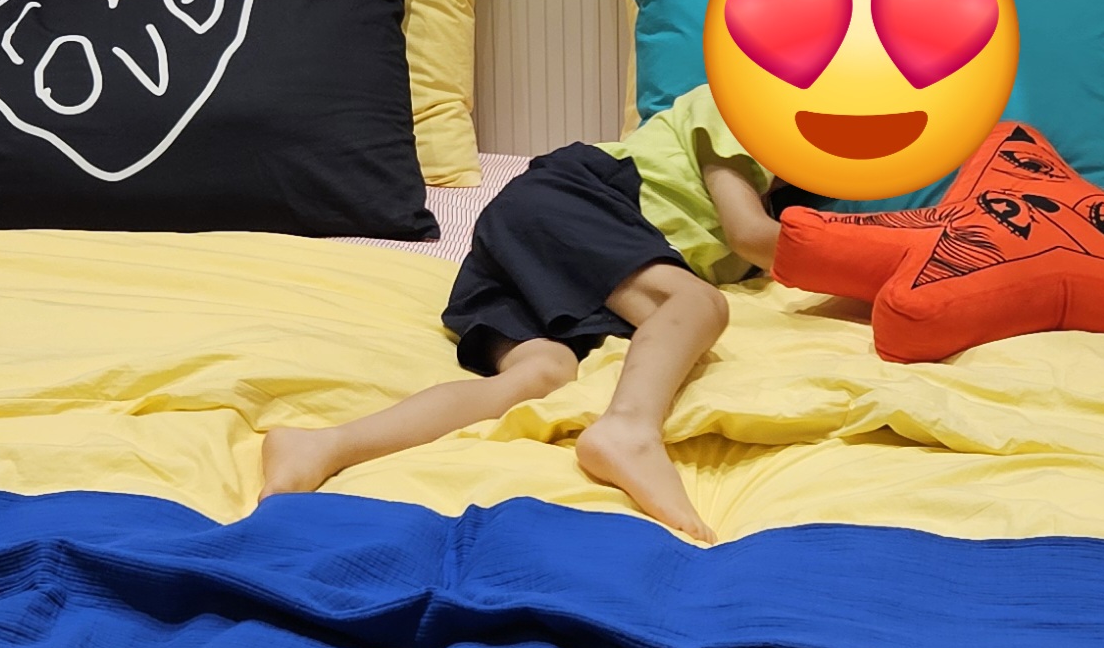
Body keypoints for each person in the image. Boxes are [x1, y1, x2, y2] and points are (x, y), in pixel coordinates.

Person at [261, 86, 775, 542]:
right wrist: (826, 254)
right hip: (574, 204)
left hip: (547, 263)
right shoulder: (738, 111)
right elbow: (749, 235)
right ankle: (628, 430)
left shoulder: (794, 189)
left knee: (543, 375)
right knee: (696, 302)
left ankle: (322, 446)